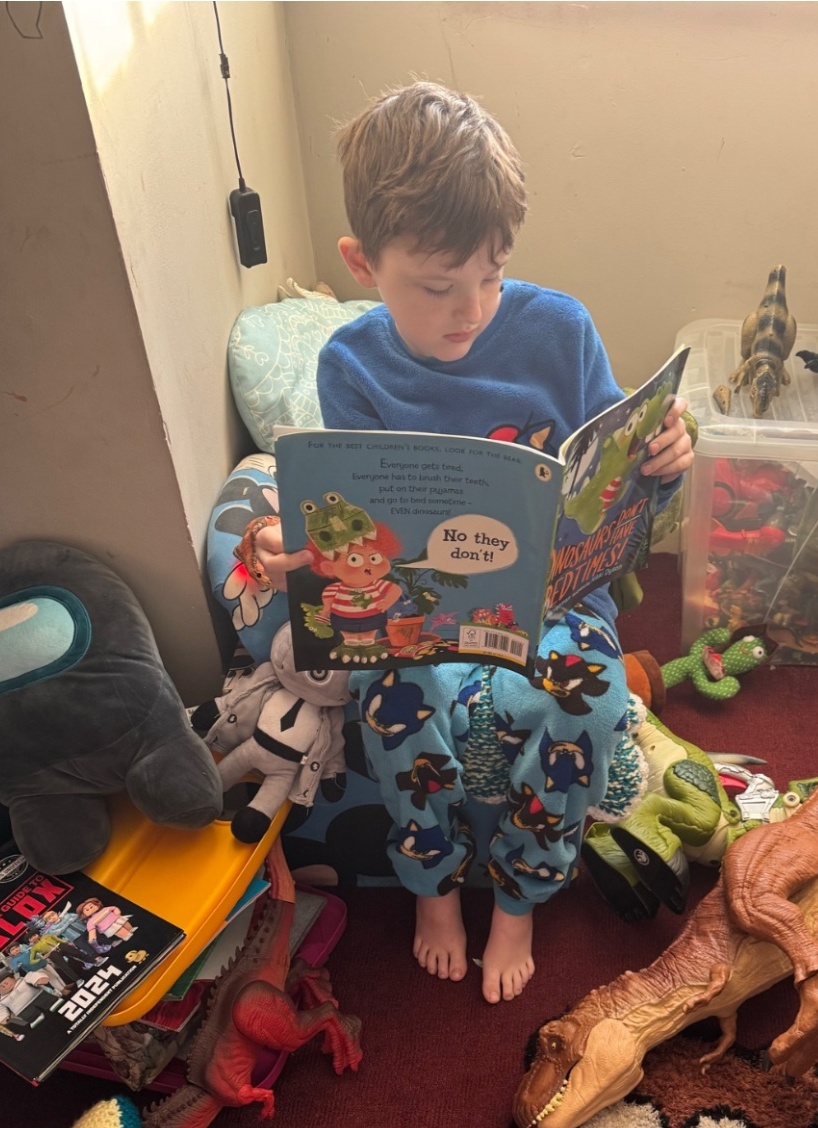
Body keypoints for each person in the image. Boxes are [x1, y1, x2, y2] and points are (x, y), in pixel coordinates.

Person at [255, 81, 693, 1003]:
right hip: (420, 615)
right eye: (437, 286)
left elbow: (615, 473)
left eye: (492, 275)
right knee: (391, 699)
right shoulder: (350, 366)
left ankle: (523, 895)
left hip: (558, 601)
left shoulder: (560, 329)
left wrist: (663, 459)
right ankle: (434, 885)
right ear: (362, 263)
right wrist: (295, 543)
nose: (473, 309)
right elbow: (353, 525)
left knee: (594, 701)